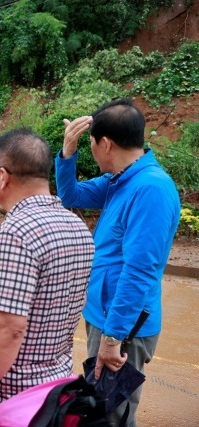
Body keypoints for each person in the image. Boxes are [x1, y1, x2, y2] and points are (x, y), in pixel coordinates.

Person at [56, 98, 180, 426]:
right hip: (106, 317)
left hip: (122, 328)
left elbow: (140, 270)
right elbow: (71, 197)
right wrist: (68, 154)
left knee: (112, 417)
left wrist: (113, 338)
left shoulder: (150, 189)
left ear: (106, 144)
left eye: (91, 144)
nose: (92, 150)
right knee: (99, 410)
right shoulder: (119, 181)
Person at [0, 129, 95, 426]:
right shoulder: (76, 225)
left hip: (13, 399)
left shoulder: (18, 232)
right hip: (55, 388)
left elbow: (8, 328)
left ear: (3, 176)